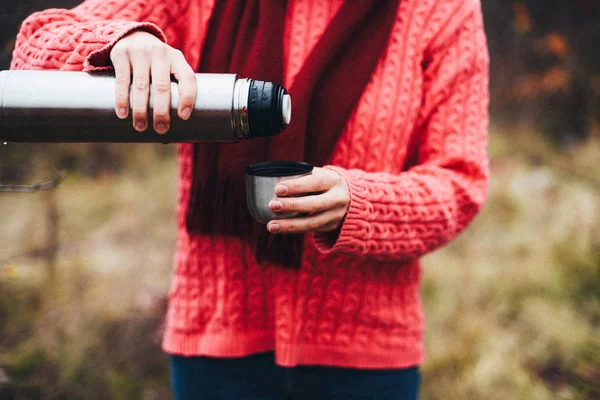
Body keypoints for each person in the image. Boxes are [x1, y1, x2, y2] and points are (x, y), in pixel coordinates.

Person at [11, 0, 490, 398]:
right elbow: (36, 41)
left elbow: (459, 182)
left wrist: (360, 203)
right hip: (216, 352)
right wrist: (126, 41)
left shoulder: (440, 11)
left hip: (367, 360)